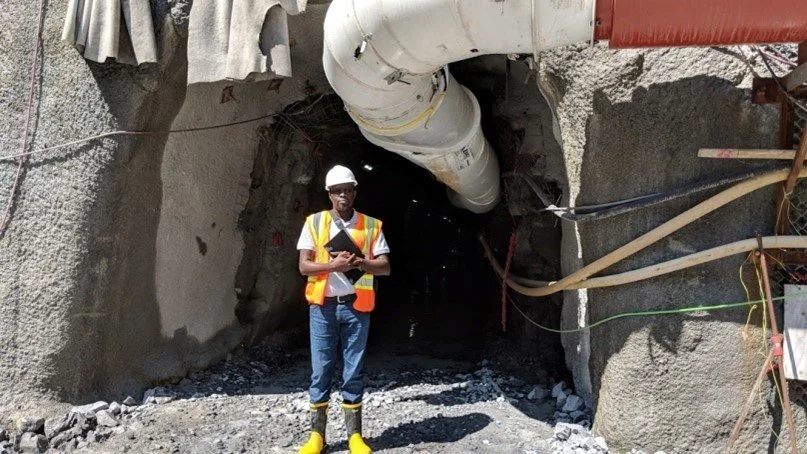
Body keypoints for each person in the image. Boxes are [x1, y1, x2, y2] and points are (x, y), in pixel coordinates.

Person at [296, 165, 391, 454]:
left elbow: (385, 267)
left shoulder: (371, 226)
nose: (342, 196)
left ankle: (355, 437)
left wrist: (360, 263)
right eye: (337, 191)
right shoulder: (314, 222)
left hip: (356, 308)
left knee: (353, 371)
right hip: (323, 308)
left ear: (354, 192)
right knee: (321, 370)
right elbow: (304, 266)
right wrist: (333, 266)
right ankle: (317, 436)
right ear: (329, 194)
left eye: (347, 190)